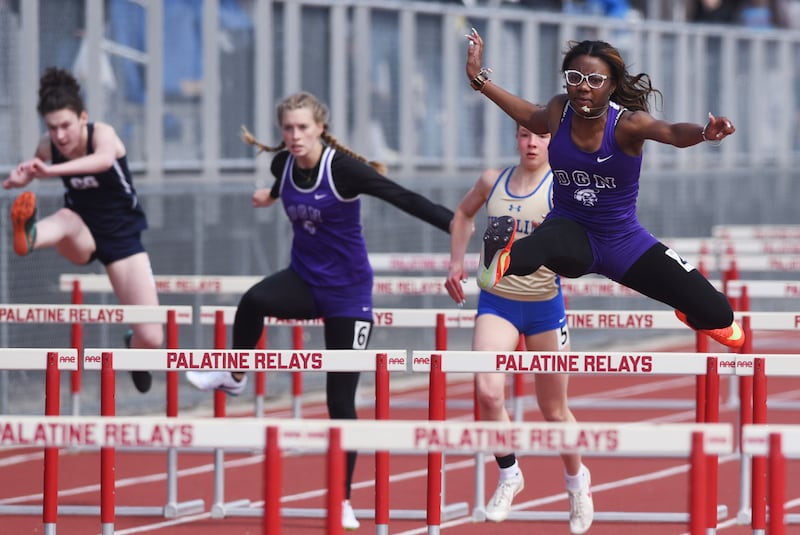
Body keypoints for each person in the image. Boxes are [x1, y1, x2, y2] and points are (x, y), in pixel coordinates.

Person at [185, 91, 453, 530]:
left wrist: (455, 222)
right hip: (305, 282)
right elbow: (282, 183)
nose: (295, 136)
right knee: (253, 300)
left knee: (339, 400)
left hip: (349, 295)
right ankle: (234, 375)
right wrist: (271, 195)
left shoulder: (342, 170)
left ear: (320, 129)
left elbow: (400, 196)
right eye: (288, 128)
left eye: (303, 128)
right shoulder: (283, 164)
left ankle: (343, 499)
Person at [464, 31, 743, 348]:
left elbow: (672, 133)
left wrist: (704, 133)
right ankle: (499, 261)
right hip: (570, 232)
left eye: (595, 80)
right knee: (548, 240)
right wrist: (479, 80)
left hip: (623, 241)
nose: (583, 86)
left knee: (720, 316)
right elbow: (529, 115)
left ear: (612, 85)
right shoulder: (558, 111)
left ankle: (689, 306)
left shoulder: (628, 124)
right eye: (575, 78)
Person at [444, 125, 593, 532]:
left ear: (553, 142)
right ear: (515, 138)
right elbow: (463, 214)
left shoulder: (562, 187)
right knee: (488, 392)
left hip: (545, 306)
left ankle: (577, 482)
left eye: (541, 137)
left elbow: (587, 238)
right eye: (525, 135)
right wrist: (456, 263)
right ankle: (509, 474)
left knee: (554, 410)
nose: (532, 144)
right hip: (498, 302)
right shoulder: (492, 181)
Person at [3, 67, 162, 393]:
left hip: (122, 238)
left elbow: (103, 161)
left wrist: (49, 172)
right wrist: (21, 178)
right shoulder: (47, 147)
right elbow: (34, 168)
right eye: (52, 128)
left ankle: (134, 346)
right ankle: (29, 236)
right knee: (65, 218)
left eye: (66, 126)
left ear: (82, 118)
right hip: (81, 231)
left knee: (152, 337)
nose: (60, 136)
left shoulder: (102, 134)